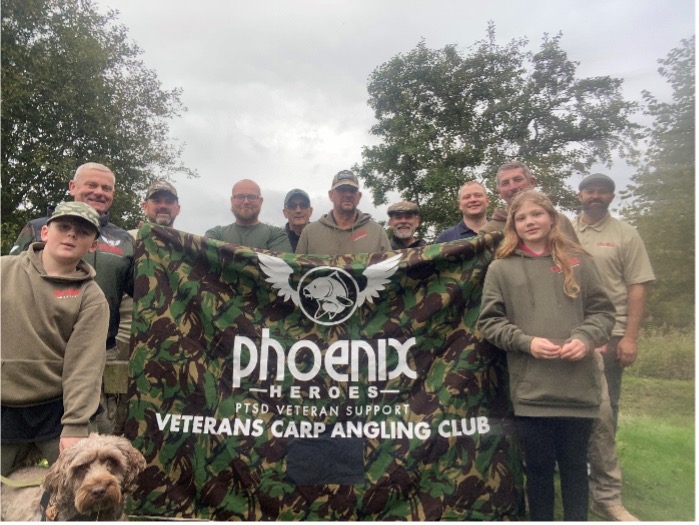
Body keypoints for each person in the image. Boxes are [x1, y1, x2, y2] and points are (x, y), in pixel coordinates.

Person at [478, 190, 615, 521]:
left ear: (552, 218)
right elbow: (490, 323)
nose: (530, 222)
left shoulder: (580, 262)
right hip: (532, 393)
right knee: (538, 471)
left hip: (578, 389)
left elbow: (603, 313)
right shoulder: (501, 268)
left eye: (536, 215)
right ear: (513, 225)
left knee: (573, 470)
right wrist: (526, 342)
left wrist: (585, 338)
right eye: (521, 218)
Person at [10, 162, 135, 435]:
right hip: (37, 352)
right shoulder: (38, 227)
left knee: (95, 435)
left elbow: (143, 291)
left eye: (106, 188)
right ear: (73, 187)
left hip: (102, 350)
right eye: (92, 185)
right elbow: (12, 283)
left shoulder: (124, 240)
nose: (99, 192)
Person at [1, 202, 109, 476]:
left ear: (93, 246)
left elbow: (84, 367)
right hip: (4, 405)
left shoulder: (92, 297)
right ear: (46, 232)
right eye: (64, 227)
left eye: (82, 232)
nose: (71, 235)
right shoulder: (4, 270)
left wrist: (75, 426)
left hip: (57, 411)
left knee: (84, 500)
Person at [573, 173, 655, 522]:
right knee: (566, 408)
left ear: (611, 196)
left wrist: (630, 337)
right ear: (579, 195)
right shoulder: (563, 229)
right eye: (589, 190)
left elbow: (638, 287)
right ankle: (573, 469)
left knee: (606, 412)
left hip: (612, 333)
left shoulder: (626, 234)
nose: (595, 196)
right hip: (568, 334)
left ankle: (605, 493)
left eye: (602, 191)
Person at [295, 170, 391, 255]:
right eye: (341, 190)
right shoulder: (310, 233)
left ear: (359, 196)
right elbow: (298, 272)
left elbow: (390, 271)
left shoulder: (377, 232)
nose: (348, 195)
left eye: (352, 191)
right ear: (331, 195)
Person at [481, 160, 577, 240]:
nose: (513, 187)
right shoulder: (489, 231)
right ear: (499, 191)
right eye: (505, 183)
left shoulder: (559, 220)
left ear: (531, 182)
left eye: (518, 180)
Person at [205, 179, 291, 251]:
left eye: (251, 197)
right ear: (232, 200)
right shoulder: (215, 234)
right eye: (240, 197)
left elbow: (280, 268)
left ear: (260, 201)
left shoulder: (276, 235)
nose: (246, 201)